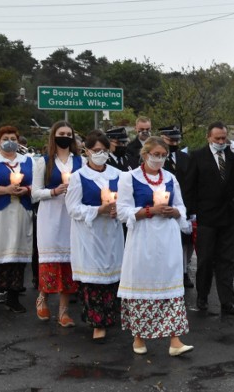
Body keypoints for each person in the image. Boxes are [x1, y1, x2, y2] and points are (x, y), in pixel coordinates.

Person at [117, 136, 193, 356]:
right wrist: (149, 211)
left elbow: (180, 205)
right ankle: (139, 337)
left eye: (163, 155)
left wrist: (176, 212)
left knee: (169, 282)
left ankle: (175, 340)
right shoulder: (129, 178)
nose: (159, 159)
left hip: (167, 238)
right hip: (143, 237)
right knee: (142, 282)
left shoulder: (170, 177)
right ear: (145, 154)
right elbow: (122, 210)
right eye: (155, 155)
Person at [65, 130, 124, 341]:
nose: (100, 154)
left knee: (111, 279)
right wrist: (98, 210)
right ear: (87, 151)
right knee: (94, 280)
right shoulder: (78, 177)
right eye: (96, 150)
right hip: (89, 236)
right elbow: (72, 208)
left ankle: (110, 317)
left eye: (104, 150)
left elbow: (127, 203)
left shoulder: (118, 175)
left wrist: (120, 210)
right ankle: (96, 322)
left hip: (112, 234)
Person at [184, 122, 234, 315]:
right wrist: (189, 213)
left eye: (224, 138)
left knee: (227, 260)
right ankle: (202, 297)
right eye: (217, 138)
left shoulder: (232, 157)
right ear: (209, 137)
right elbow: (190, 185)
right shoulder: (198, 156)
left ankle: (228, 301)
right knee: (206, 260)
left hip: (228, 216)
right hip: (206, 216)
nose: (221, 141)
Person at [31, 121, 85, 326]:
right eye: (61, 133)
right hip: (50, 215)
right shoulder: (44, 162)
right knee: (50, 262)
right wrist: (53, 191)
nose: (65, 137)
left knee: (69, 264)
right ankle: (42, 296)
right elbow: (35, 192)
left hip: (72, 216)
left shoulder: (81, 161)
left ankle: (63, 311)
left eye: (68, 134)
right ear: (54, 136)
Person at [0, 125, 34, 313]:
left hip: (20, 211)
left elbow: (37, 184)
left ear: (18, 141)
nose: (9, 141)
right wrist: (5, 190)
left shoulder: (28, 161)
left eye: (13, 138)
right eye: (5, 138)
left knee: (17, 254)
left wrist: (26, 190)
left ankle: (12, 296)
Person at [159, 126, 194, 290]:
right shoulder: (158, 158)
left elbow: (191, 182)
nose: (174, 143)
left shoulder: (185, 158)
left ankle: (184, 271)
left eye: (176, 140)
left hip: (183, 204)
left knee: (185, 242)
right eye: (170, 140)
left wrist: (191, 209)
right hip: (162, 205)